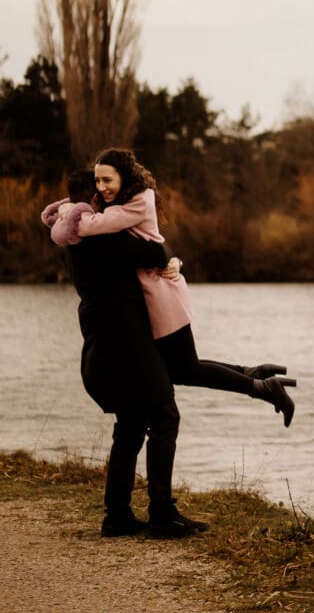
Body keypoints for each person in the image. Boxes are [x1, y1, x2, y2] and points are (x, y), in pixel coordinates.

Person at [43, 150, 296, 427]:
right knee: (182, 368)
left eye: (107, 180)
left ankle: (260, 386)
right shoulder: (120, 208)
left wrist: (69, 212)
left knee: (185, 368)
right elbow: (154, 246)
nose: (102, 188)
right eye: (97, 181)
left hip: (162, 297)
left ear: (123, 178)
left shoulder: (125, 208)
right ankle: (255, 375)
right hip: (156, 296)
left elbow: (147, 247)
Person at [43, 198, 208, 538]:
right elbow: (156, 253)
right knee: (164, 417)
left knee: (131, 425)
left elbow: (157, 253)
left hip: (104, 347)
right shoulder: (102, 238)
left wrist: (170, 258)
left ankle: (117, 515)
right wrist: (171, 259)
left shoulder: (76, 237)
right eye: (99, 191)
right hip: (124, 348)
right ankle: (161, 514)